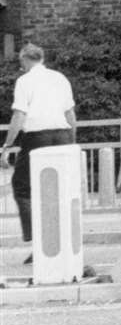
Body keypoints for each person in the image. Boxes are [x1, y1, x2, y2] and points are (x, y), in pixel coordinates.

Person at [1, 44, 77, 260]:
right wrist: (72, 140)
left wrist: (7, 145)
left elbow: (19, 115)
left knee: (23, 187)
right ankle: (60, 242)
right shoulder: (59, 78)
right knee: (58, 189)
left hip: (37, 137)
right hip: (62, 134)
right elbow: (70, 113)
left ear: (25, 60)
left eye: (21, 63)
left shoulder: (24, 81)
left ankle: (39, 239)